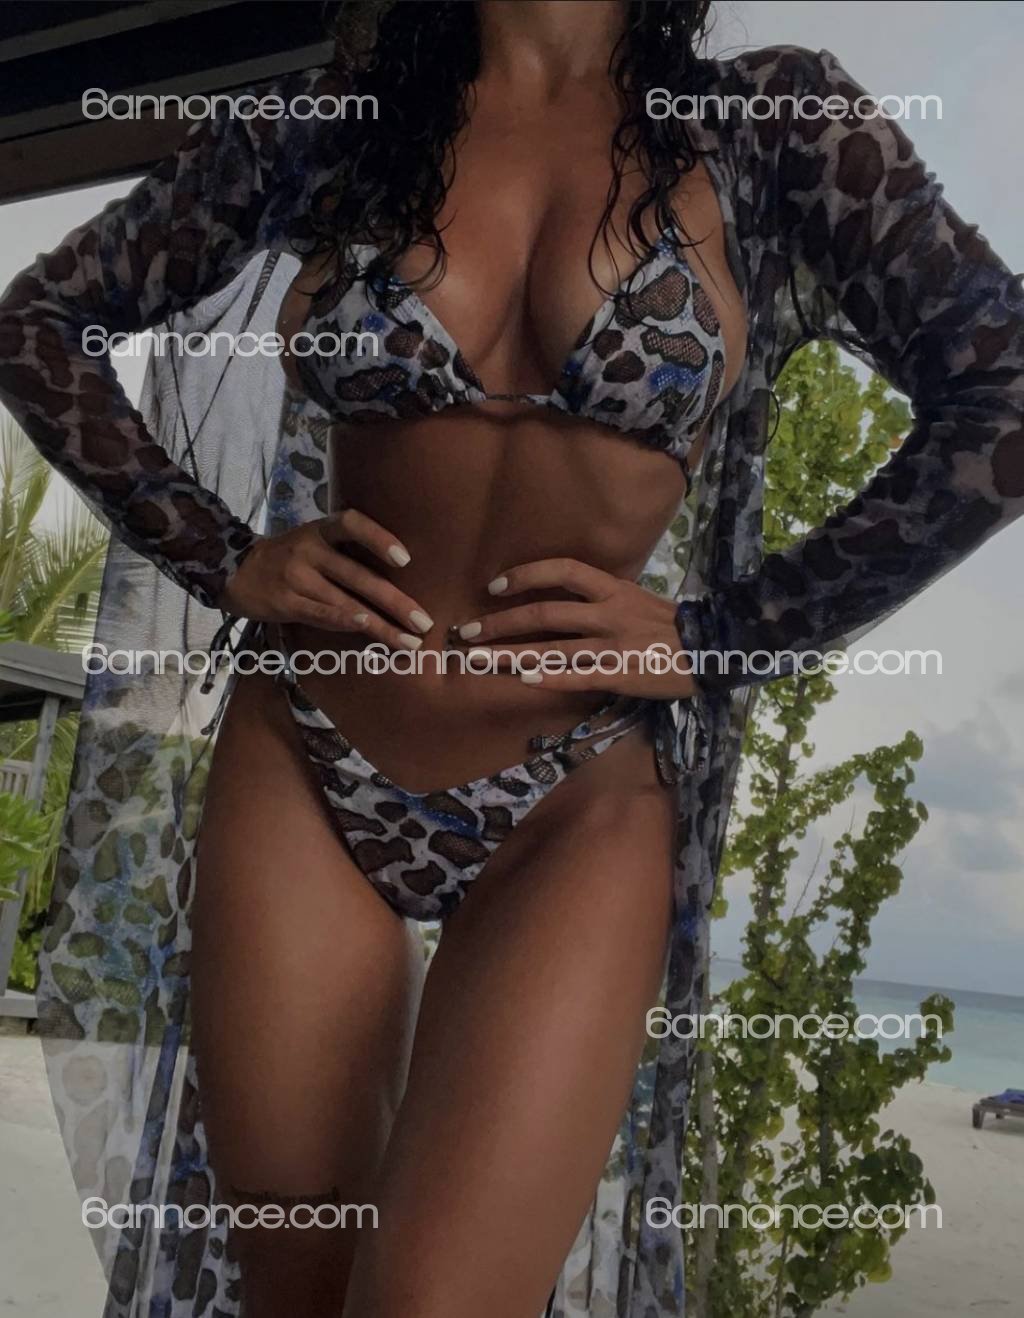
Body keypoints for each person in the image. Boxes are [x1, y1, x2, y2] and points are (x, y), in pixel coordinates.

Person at [0, 3, 1021, 1316]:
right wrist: (222, 554)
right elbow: (40, 324)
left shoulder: (774, 125)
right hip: (310, 753)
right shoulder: (340, 126)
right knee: (293, 1294)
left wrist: (722, 633)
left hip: (574, 790)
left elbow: (1004, 394)